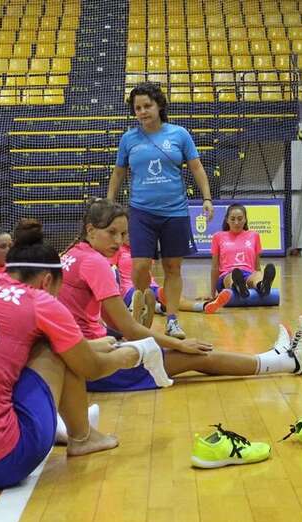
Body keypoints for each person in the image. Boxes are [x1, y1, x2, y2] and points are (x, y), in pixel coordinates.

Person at [0, 220, 168, 490]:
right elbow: (92, 368)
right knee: (57, 347)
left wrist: (93, 345)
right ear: (48, 281)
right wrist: (138, 352)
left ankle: (58, 425)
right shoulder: (39, 300)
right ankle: (81, 437)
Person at [59, 199, 302, 393]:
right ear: (91, 230)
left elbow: (110, 322)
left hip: (83, 354)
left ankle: (279, 357)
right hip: (99, 366)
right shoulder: (96, 263)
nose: (119, 240)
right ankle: (289, 362)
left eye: (124, 234)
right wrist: (178, 343)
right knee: (196, 355)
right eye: (112, 232)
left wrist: (134, 334)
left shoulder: (71, 253)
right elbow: (125, 326)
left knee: (186, 352)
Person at [106, 81, 214, 340]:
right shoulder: (129, 139)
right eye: (137, 108)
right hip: (141, 212)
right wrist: (109, 203)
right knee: (141, 265)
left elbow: (197, 168)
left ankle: (173, 319)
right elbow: (119, 172)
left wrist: (207, 198)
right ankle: (141, 314)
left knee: (173, 267)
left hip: (175, 212)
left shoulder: (179, 134)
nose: (142, 111)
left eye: (147, 106)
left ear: (160, 106)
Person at [110, 236, 233, 328]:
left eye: (132, 232)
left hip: (151, 286)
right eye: (125, 233)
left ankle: (205, 306)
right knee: (144, 300)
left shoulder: (144, 249)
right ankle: (160, 306)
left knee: (174, 298)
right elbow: (110, 270)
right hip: (131, 290)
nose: (129, 236)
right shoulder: (118, 250)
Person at [211, 203, 277, 299]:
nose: (236, 222)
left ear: (245, 219)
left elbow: (257, 267)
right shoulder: (218, 237)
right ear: (227, 220)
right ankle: (238, 286)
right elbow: (215, 267)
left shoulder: (254, 236)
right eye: (233, 219)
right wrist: (212, 294)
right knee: (232, 277)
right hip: (227, 274)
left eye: (240, 218)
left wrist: (258, 275)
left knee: (256, 276)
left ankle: (262, 285)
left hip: (248, 273)